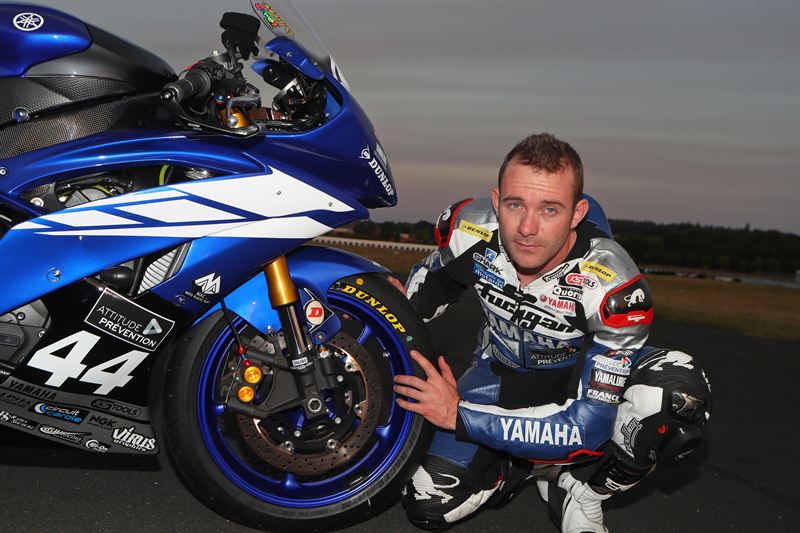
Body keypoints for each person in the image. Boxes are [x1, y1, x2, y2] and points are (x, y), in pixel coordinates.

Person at [389, 133, 712, 533]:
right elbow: (417, 299)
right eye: (515, 205)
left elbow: (588, 427)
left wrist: (458, 415)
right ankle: (522, 465)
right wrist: (386, 308)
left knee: (676, 396)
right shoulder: (470, 229)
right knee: (428, 505)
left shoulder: (613, 286)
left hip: (581, 382)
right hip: (499, 376)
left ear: (576, 214)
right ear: (496, 201)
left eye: (550, 210)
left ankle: (581, 490)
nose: (527, 228)